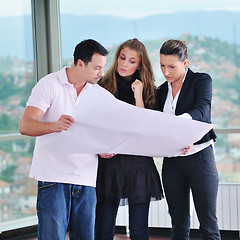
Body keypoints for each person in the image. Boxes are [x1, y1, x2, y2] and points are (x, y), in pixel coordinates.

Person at [18, 39, 109, 240]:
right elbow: (25, 125)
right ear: (80, 63)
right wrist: (55, 126)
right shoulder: (49, 85)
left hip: (86, 179)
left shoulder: (99, 94)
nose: (101, 73)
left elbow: (101, 133)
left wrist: (104, 148)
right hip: (53, 177)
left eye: (103, 67)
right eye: (97, 67)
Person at [95, 38, 163, 240]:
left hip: (138, 164)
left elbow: (142, 127)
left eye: (132, 61)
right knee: (103, 228)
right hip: (109, 163)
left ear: (140, 64)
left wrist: (138, 95)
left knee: (139, 229)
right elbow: (95, 124)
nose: (124, 64)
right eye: (122, 58)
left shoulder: (150, 90)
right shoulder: (102, 86)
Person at [156, 39, 221, 240]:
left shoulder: (201, 80)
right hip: (172, 161)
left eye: (172, 67)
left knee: (208, 222)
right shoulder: (161, 91)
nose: (166, 72)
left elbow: (203, 110)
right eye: (162, 66)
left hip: (200, 157)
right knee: (178, 223)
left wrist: (183, 129)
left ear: (185, 63)